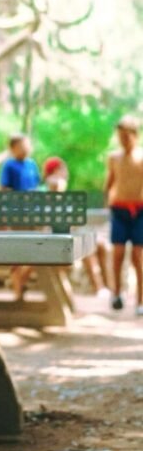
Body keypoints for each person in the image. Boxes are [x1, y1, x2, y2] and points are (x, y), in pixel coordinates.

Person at [42, 156, 110, 298]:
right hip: (53, 241)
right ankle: (99, 287)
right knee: (88, 246)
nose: (66, 172)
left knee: (100, 245)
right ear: (56, 170)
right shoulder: (51, 188)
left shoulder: (58, 194)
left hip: (64, 237)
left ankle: (106, 288)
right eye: (63, 168)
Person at [103, 115, 143, 316]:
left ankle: (140, 301)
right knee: (117, 253)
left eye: (127, 136)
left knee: (138, 256)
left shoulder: (142, 157)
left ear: (135, 136)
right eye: (120, 136)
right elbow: (110, 181)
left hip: (139, 211)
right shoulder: (113, 158)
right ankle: (116, 294)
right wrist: (105, 202)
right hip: (118, 210)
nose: (123, 140)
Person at [0, 133, 40, 299]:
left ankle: (20, 281)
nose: (26, 148)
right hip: (16, 213)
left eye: (27, 145)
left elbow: (37, 186)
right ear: (13, 148)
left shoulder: (32, 164)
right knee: (17, 252)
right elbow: (4, 189)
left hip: (33, 213)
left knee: (36, 250)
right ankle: (17, 289)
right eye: (22, 145)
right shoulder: (9, 166)